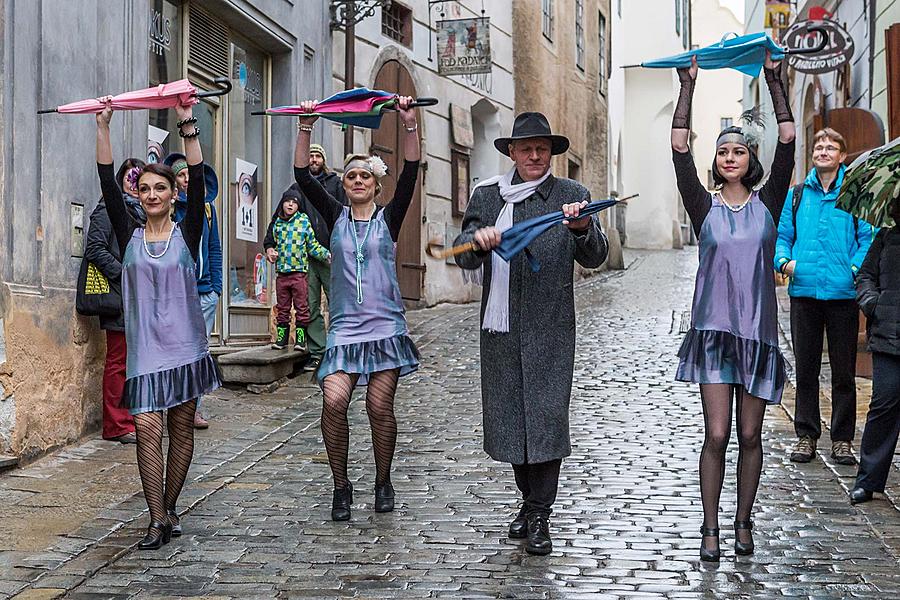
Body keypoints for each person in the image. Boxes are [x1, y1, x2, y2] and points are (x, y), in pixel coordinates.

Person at [453, 111, 609, 556]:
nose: (535, 155)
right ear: (513, 153)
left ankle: (540, 512)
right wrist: (476, 242)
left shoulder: (571, 195)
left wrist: (581, 228)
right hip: (500, 330)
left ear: (551, 153)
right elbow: (463, 257)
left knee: (545, 418)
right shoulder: (487, 196)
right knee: (512, 421)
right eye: (527, 149)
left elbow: (596, 256)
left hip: (551, 326)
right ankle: (528, 501)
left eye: (542, 148)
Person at [671, 53, 795, 562]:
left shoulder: (769, 202)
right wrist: (688, 86)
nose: (728, 156)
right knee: (717, 434)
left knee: (749, 435)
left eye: (737, 151)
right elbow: (678, 147)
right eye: (722, 151)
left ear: (750, 160)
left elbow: (788, 139)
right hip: (715, 334)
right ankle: (709, 528)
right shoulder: (704, 207)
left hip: (759, 334)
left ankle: (744, 522)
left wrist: (773, 77)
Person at [95, 99, 222, 550]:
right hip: (146, 349)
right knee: (147, 427)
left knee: (181, 430)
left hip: (185, 349)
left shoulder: (188, 230)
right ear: (138, 194)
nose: (151, 195)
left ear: (172, 195)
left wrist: (188, 124)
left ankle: (169, 508)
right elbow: (107, 183)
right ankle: (156, 519)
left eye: (160, 189)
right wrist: (104, 126)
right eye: (144, 189)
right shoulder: (126, 231)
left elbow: (202, 176)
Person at [293, 97, 421, 522]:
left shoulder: (389, 218)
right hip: (346, 330)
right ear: (343, 185)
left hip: (386, 328)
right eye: (351, 176)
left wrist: (408, 124)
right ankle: (341, 486)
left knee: (378, 408)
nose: (358, 180)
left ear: (375, 184)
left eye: (366, 175)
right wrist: (306, 127)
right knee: (334, 402)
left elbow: (410, 177)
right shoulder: (334, 215)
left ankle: (383, 479)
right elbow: (300, 175)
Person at [774, 128, 874, 465]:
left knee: (843, 372)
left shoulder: (853, 192)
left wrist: (854, 268)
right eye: (819, 146)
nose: (823, 151)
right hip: (804, 292)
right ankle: (806, 435)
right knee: (806, 368)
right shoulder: (798, 194)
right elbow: (783, 235)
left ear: (842, 156)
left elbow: (866, 238)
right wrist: (785, 262)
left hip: (843, 294)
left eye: (831, 147)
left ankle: (843, 439)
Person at [84, 158, 146, 444]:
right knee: (118, 361)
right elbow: (95, 248)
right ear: (121, 179)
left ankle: (130, 417)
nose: (135, 185)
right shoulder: (110, 208)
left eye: (141, 180)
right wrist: (124, 273)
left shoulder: (144, 213)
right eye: (131, 178)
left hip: (139, 299)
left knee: (134, 363)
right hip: (119, 296)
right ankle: (116, 425)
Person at [163, 153, 223, 429]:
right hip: (177, 293)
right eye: (182, 175)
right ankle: (169, 408)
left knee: (199, 354)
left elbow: (214, 249)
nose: (187, 179)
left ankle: (193, 409)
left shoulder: (209, 210)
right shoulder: (171, 211)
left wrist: (217, 288)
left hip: (205, 292)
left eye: (190, 174)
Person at [849, 198, 900, 504]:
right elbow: (866, 275)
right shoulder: (887, 235)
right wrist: (872, 303)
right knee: (883, 406)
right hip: (888, 335)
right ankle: (868, 480)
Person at [278, 143, 345, 371]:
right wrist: (270, 244)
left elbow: (344, 214)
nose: (314, 159)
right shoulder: (297, 188)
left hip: (331, 253)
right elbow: (279, 218)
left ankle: (341, 349)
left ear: (323, 160)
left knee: (338, 302)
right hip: (304, 258)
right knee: (311, 305)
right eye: (311, 156)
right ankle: (318, 352)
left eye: (318, 156)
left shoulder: (335, 184)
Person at [263, 189, 331, 350]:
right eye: (288, 201)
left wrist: (326, 255)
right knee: (282, 307)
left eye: (294, 202)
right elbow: (270, 241)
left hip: (299, 273)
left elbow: (312, 245)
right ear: (282, 203)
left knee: (302, 307)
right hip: (282, 274)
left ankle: (301, 339)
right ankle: (282, 338)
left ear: (298, 205)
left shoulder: (303, 221)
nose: (291, 204)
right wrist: (270, 250)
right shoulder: (278, 223)